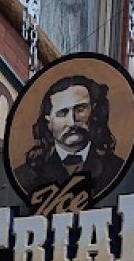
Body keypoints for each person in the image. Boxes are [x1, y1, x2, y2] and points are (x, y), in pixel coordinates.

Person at [14, 74, 125, 206]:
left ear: (94, 112)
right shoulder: (24, 177)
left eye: (80, 109)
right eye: (62, 113)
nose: (72, 122)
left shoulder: (116, 169)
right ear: (48, 121)